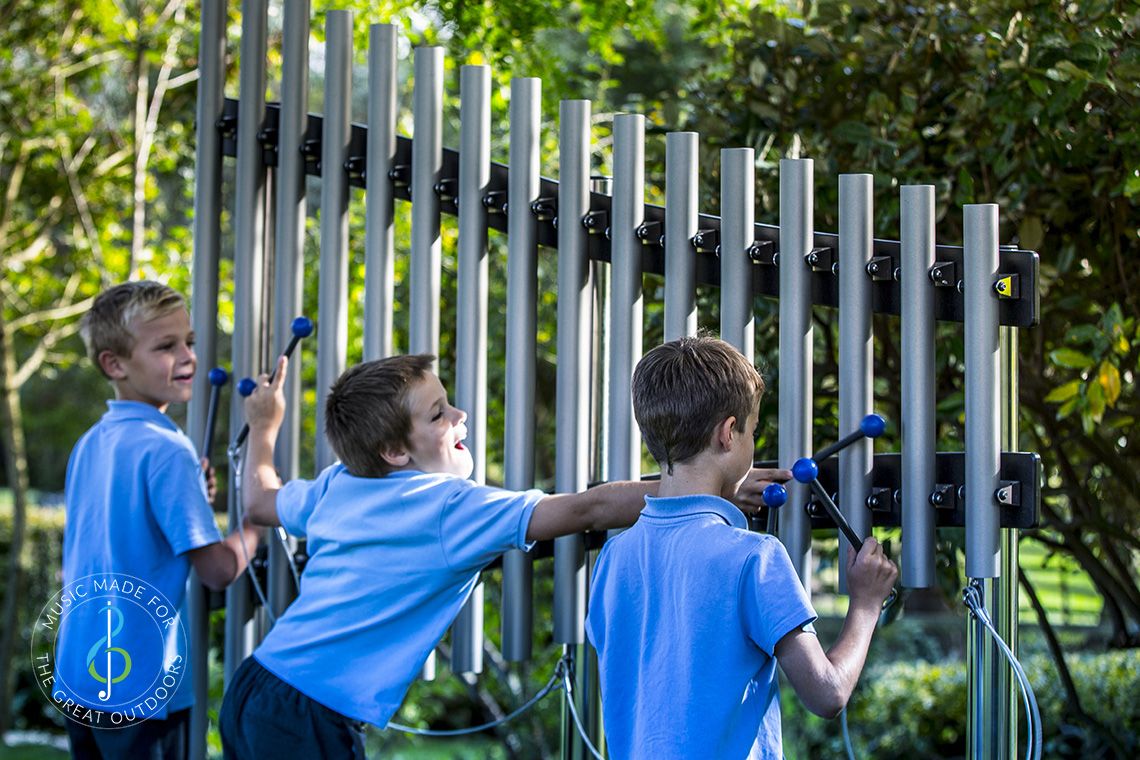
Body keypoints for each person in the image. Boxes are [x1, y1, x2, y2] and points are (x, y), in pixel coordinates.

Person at [219, 353, 785, 758]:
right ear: (393, 451)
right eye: (438, 414)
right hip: (310, 718)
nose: (460, 416)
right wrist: (708, 487)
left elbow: (258, 499)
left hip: (256, 686)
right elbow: (586, 510)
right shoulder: (447, 507)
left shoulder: (338, 483)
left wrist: (263, 427)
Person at [585, 336, 899, 760]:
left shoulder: (613, 559)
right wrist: (866, 603)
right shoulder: (755, 558)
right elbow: (827, 692)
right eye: (752, 432)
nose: (752, 443)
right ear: (728, 433)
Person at [57, 281, 260, 760]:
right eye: (166, 347)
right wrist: (258, 519)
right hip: (141, 683)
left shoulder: (93, 441)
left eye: (188, 341)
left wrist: (192, 495)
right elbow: (217, 570)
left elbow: (125, 528)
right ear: (115, 363)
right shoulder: (167, 449)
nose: (188, 356)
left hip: (79, 674)